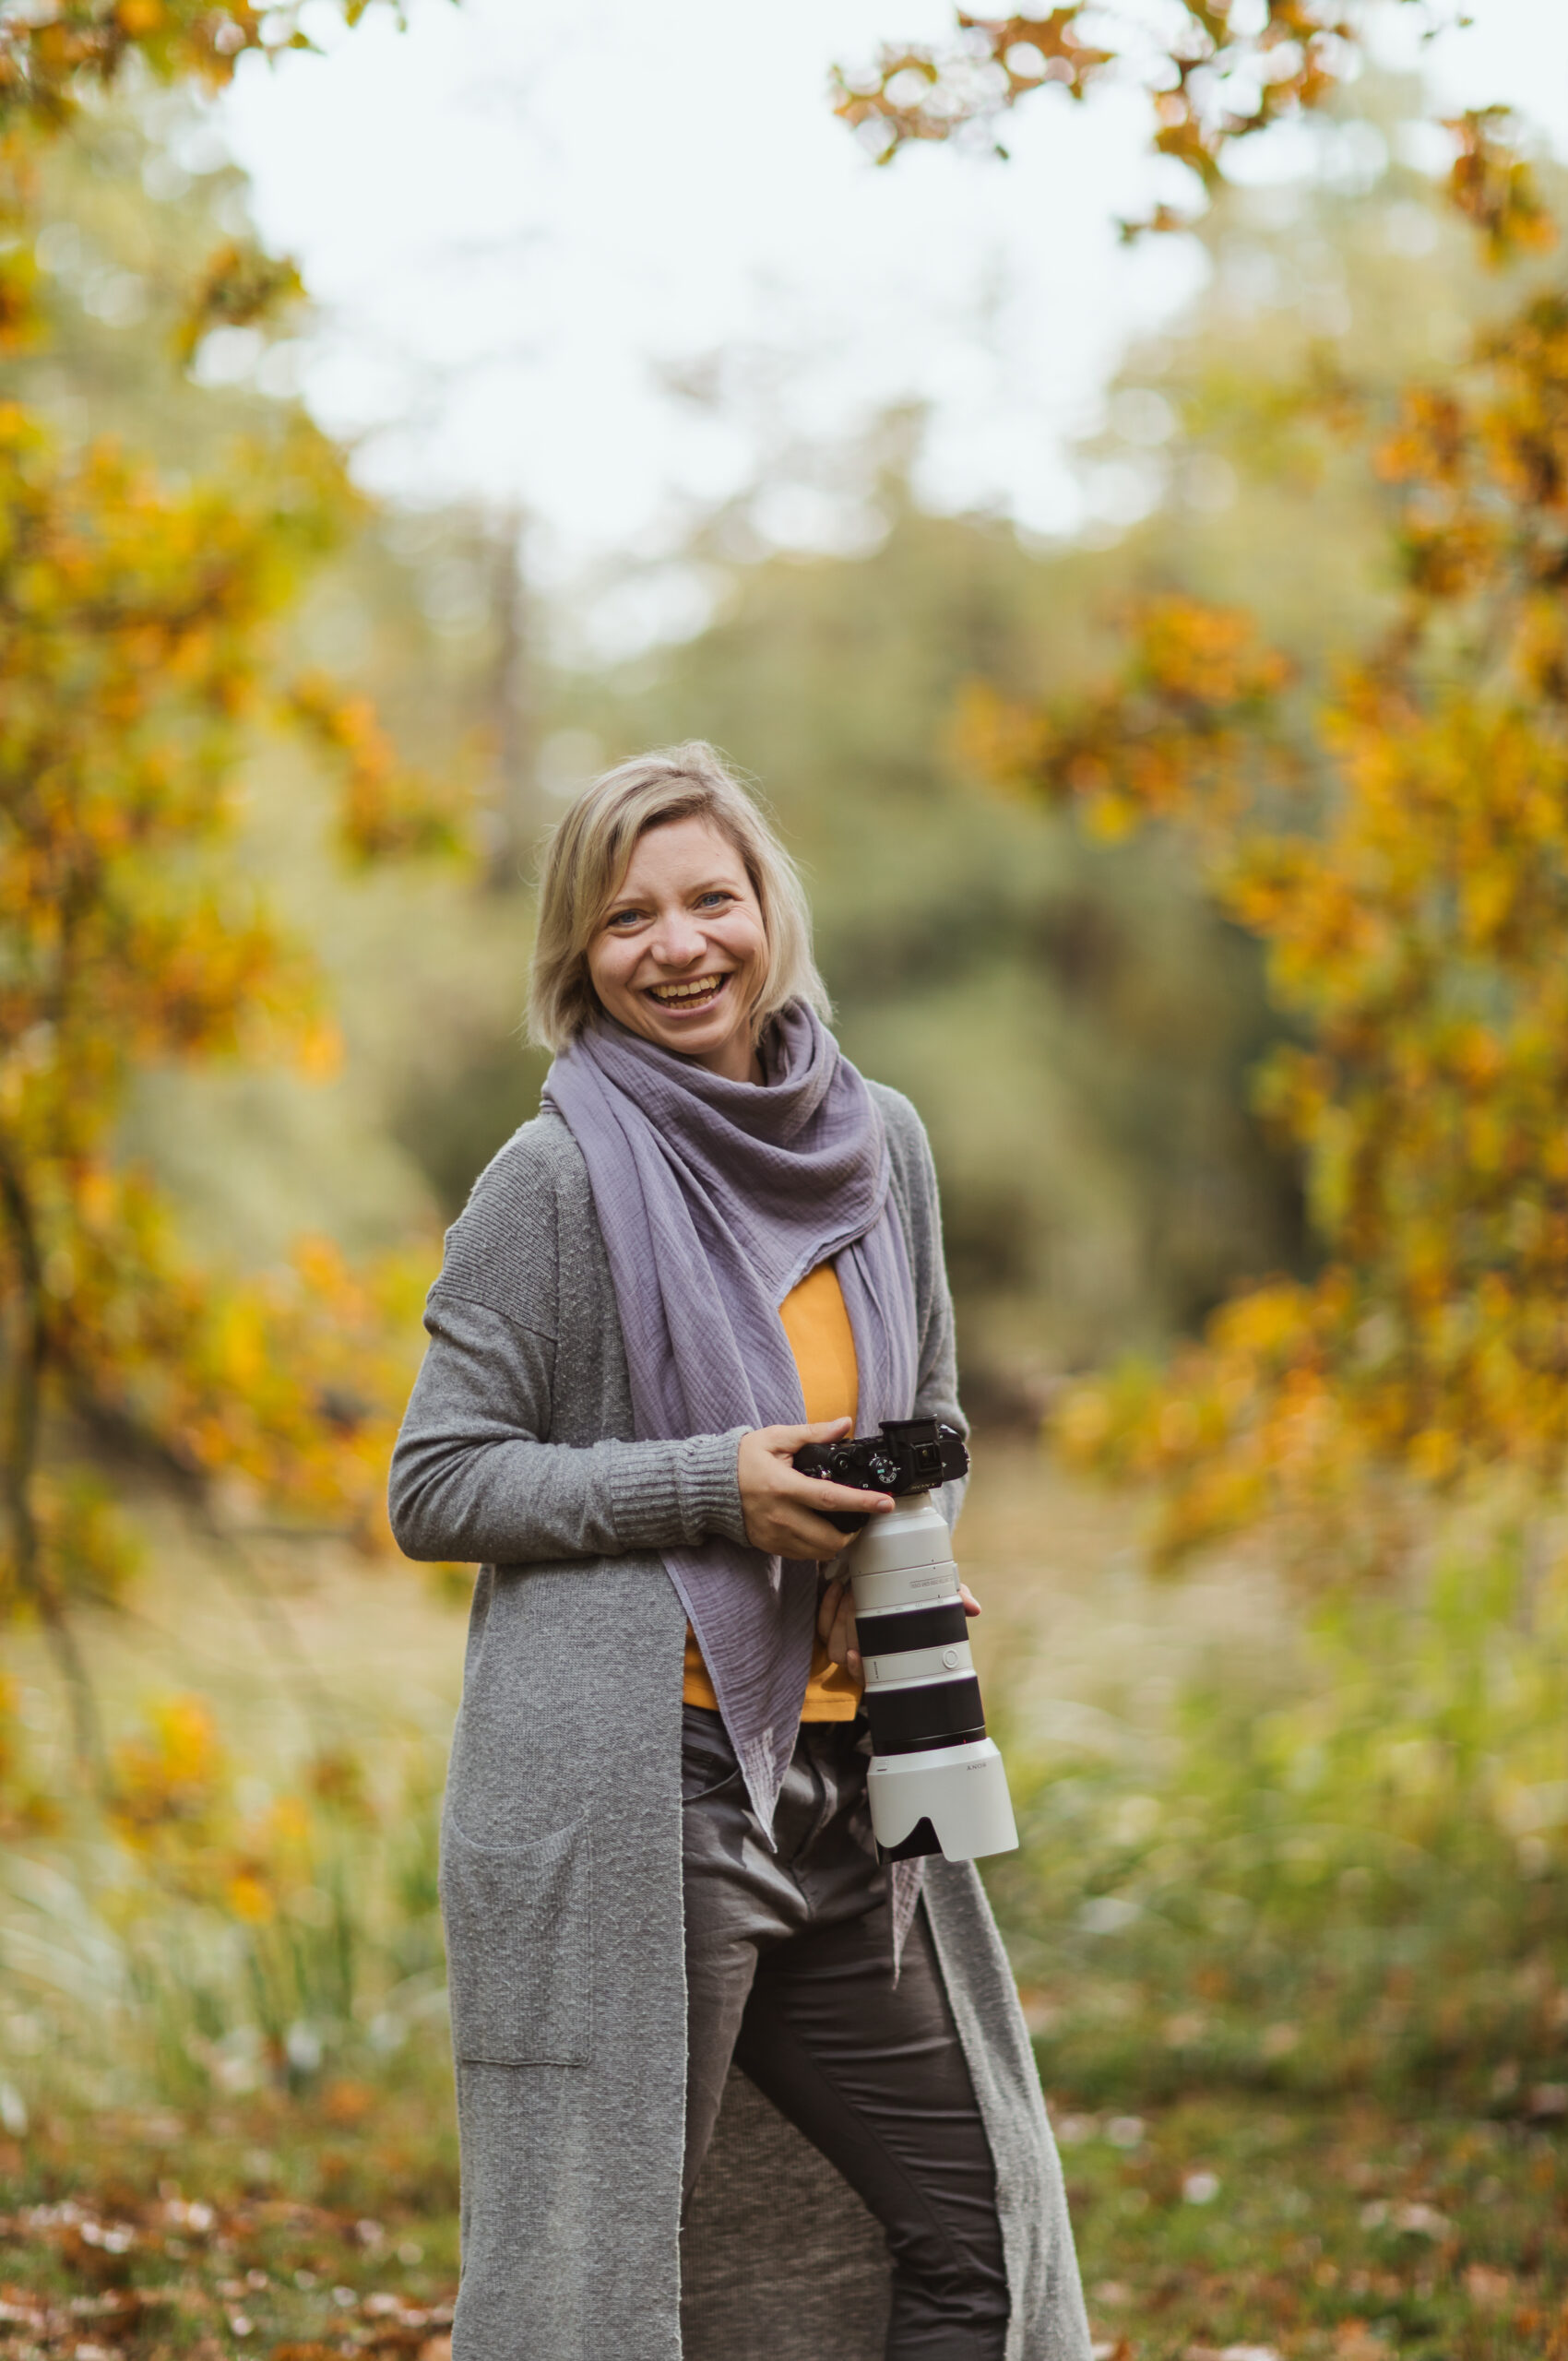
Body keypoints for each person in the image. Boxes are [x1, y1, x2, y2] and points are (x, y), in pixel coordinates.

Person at [388, 742, 1090, 2361]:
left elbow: (930, 1417)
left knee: (982, 2237)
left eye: (713, 898)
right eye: (628, 917)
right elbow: (439, 1483)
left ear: (772, 908)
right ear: (579, 958)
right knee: (607, 2290)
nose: (680, 944)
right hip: (650, 1789)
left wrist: (898, 1556)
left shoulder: (879, 1145)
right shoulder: (552, 1181)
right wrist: (714, 1489)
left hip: (855, 1772)